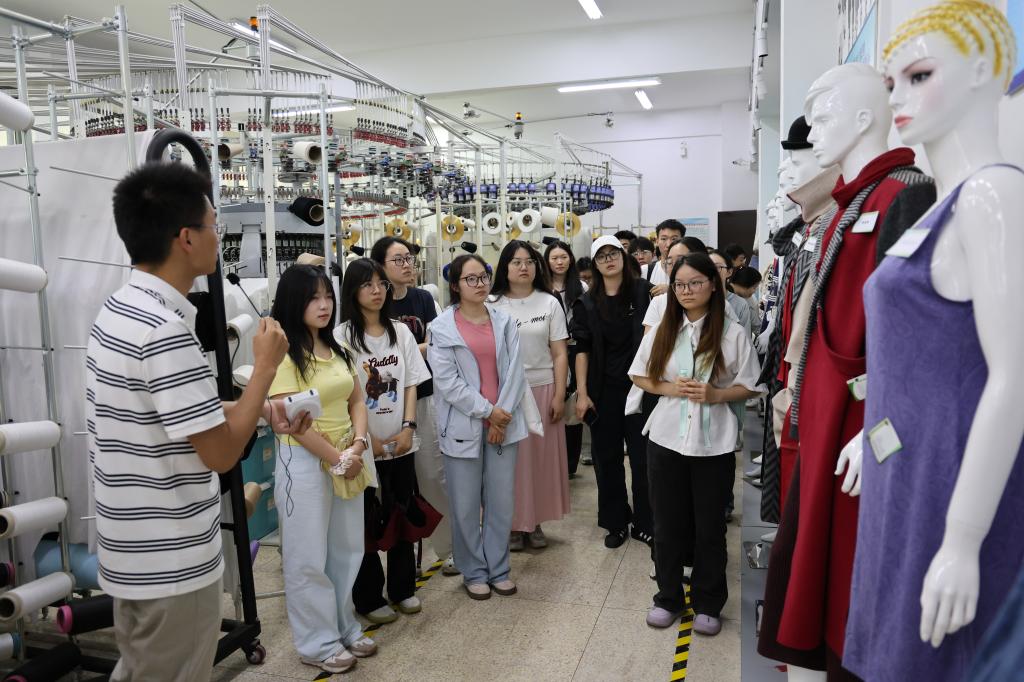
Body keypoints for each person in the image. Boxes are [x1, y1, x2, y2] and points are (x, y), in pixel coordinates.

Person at [93, 163, 309, 682]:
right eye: (215, 225)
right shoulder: (163, 331)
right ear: (186, 238)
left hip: (133, 552)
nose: (219, 237)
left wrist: (263, 410)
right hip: (173, 560)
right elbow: (219, 453)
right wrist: (264, 369)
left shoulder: (120, 310)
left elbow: (178, 418)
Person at [629, 253, 762, 634]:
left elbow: (751, 385)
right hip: (666, 437)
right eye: (679, 285)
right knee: (666, 524)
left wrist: (715, 395)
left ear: (713, 285)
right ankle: (667, 597)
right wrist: (672, 388)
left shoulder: (731, 333)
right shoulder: (663, 329)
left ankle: (708, 602)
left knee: (709, 528)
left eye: (695, 283)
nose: (686, 291)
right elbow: (639, 375)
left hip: (713, 442)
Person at [270, 264, 376, 674]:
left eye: (328, 296)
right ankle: (316, 642)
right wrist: (338, 458)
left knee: (346, 548)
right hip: (306, 461)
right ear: (293, 302)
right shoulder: (284, 355)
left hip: (348, 455)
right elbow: (293, 422)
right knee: (307, 555)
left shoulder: (339, 348)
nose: (324, 305)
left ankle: (344, 625)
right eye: (314, 298)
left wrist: (358, 446)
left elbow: (357, 400)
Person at [427, 255, 530, 600]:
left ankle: (499, 568)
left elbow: (516, 372)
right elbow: (448, 383)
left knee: (501, 501)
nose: (480, 284)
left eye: (483, 276)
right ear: (455, 286)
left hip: (504, 423)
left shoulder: (504, 321)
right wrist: (489, 413)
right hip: (464, 424)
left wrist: (501, 415)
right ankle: (473, 570)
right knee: (466, 504)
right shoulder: (441, 328)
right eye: (470, 279)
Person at [336, 258, 431, 624]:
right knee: (365, 522)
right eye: (367, 284)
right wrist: (365, 440)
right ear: (352, 291)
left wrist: (408, 427)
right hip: (362, 446)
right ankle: (368, 597)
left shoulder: (401, 332)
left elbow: (410, 383)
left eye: (381, 284)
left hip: (402, 442)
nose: (376, 291)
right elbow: (345, 395)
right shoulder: (342, 337)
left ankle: (403, 589)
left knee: (402, 513)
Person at [369, 236, 456, 577]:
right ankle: (399, 557)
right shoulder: (375, 305)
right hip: (384, 405)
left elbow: (437, 344)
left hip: (423, 396)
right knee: (389, 486)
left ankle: (449, 548)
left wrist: (401, 355)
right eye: (399, 260)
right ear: (380, 267)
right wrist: (410, 352)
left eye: (409, 258)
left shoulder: (423, 299)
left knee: (433, 475)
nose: (407, 265)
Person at [571, 236, 653, 549]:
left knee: (643, 459)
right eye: (601, 256)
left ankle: (646, 522)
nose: (608, 259)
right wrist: (582, 393)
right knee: (607, 460)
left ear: (623, 256)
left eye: (613, 253)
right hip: (603, 390)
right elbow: (582, 350)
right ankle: (615, 521)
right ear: (595, 264)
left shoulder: (644, 292)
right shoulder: (587, 303)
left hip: (642, 389)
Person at [489, 241, 571, 551]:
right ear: (505, 267)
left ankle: (534, 521)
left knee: (539, 461)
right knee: (510, 462)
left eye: (529, 261)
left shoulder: (549, 302)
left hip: (543, 388)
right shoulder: (492, 304)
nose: (524, 267)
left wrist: (560, 395)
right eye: (516, 262)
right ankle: (512, 523)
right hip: (504, 394)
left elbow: (559, 353)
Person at [545, 240, 589, 475]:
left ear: (570, 259)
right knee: (553, 400)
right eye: (554, 258)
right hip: (549, 351)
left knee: (572, 405)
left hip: (574, 349)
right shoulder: (541, 286)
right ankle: (552, 460)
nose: (559, 262)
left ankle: (570, 463)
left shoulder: (580, 286)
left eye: (563, 257)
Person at [710, 251, 753, 336]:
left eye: (717, 267)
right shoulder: (699, 300)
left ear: (729, 272)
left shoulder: (740, 304)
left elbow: (745, 338)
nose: (712, 271)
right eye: (708, 267)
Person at [641, 219, 686, 295]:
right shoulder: (645, 271)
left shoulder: (690, 270)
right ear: (657, 241)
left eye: (674, 239)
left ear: (682, 240)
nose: (669, 244)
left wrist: (670, 290)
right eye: (664, 239)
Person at [729, 266, 763, 337]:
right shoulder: (725, 298)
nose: (754, 291)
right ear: (744, 283)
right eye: (754, 287)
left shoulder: (751, 299)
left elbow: (756, 326)